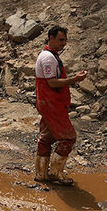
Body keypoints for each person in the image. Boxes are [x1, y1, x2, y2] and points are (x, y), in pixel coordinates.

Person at [33, 25, 88, 186]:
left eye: (65, 40)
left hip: (48, 102)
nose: (63, 44)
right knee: (68, 137)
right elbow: (52, 82)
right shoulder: (48, 58)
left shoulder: (49, 56)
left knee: (46, 138)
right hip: (52, 103)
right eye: (60, 40)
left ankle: (41, 174)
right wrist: (75, 79)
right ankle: (57, 173)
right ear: (51, 38)